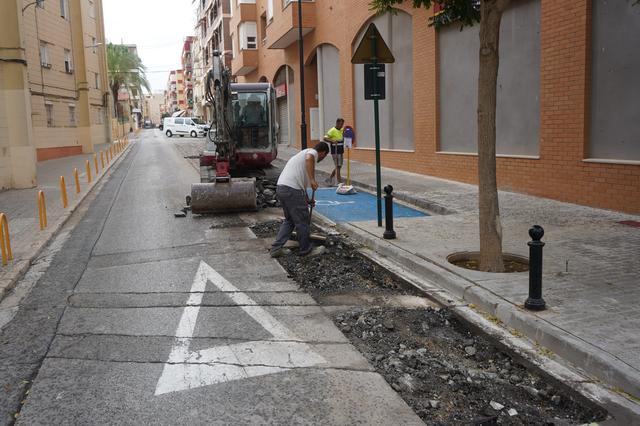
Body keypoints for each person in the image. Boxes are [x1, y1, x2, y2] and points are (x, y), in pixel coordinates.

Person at [271, 142, 330, 258]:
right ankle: (306, 250)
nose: (322, 159)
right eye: (324, 156)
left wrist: (307, 200)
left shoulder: (301, 157)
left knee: (290, 220)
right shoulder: (311, 153)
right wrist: (313, 180)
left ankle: (276, 249)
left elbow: (301, 185)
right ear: (323, 153)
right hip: (291, 189)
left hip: (282, 188)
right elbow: (310, 158)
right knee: (303, 220)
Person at [323, 118, 345, 185]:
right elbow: (325, 138)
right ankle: (339, 181)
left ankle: (330, 178)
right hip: (335, 150)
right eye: (341, 124)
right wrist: (332, 141)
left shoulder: (341, 130)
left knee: (339, 166)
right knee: (337, 166)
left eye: (342, 124)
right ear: (337, 123)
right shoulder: (332, 130)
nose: (341, 126)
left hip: (340, 150)